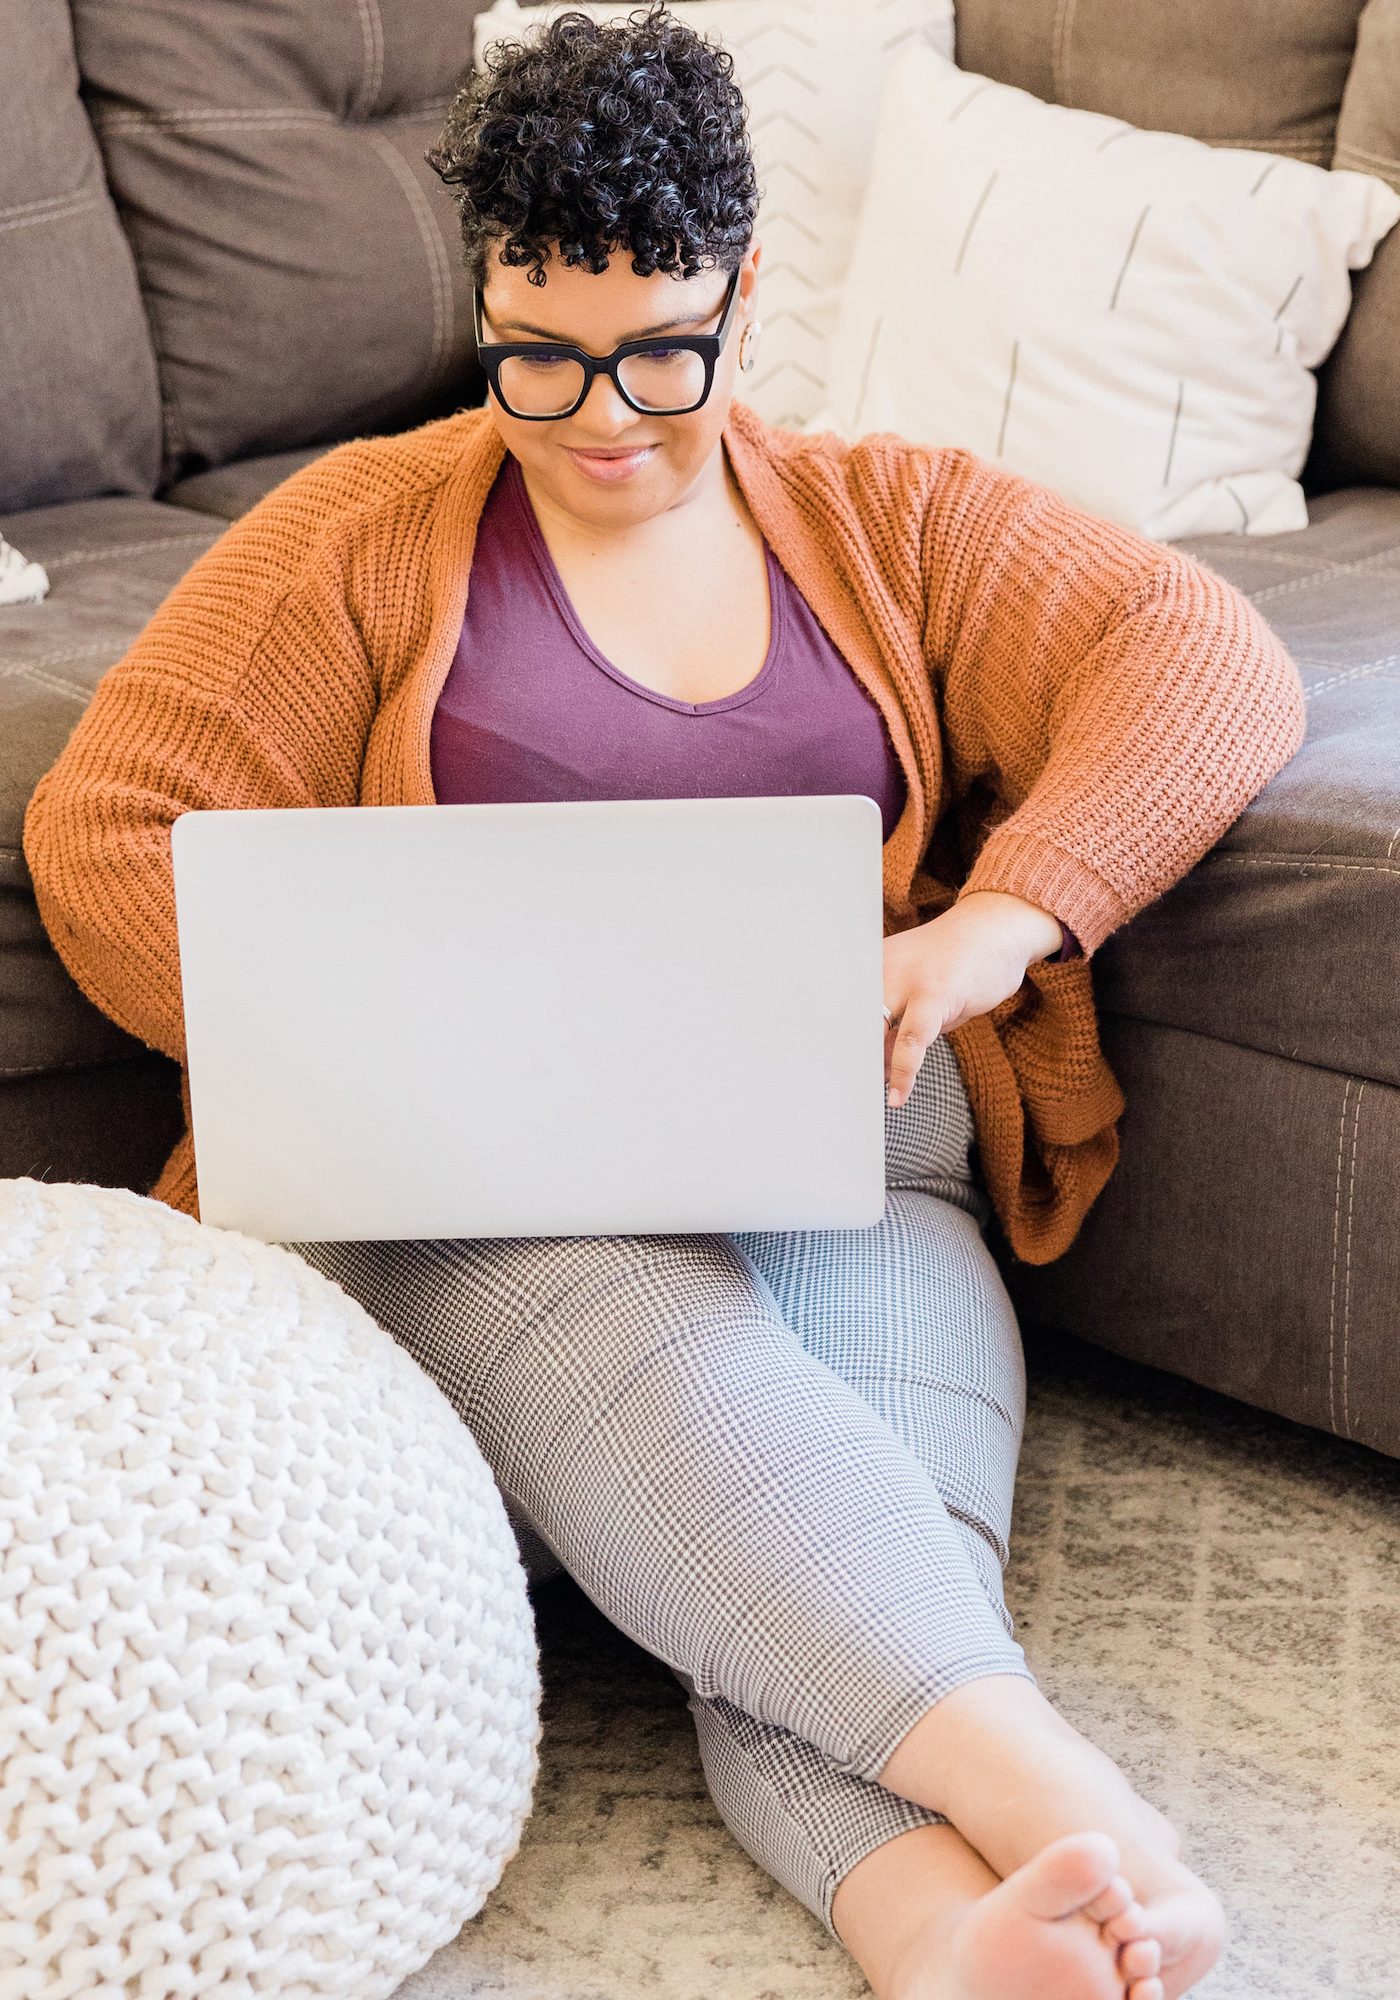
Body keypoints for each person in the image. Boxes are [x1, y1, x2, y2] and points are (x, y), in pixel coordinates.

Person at [20, 7, 1309, 1997]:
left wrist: (1002, 926)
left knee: (867, 1521)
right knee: (727, 1445)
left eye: (658, 353)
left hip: (855, 1151)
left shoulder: (888, 519)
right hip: (490, 1175)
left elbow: (1197, 651)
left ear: (746, 296)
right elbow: (110, 822)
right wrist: (370, 1010)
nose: (600, 415)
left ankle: (939, 1933)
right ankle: (1084, 1812)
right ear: (486, 303)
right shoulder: (357, 536)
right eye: (537, 354)